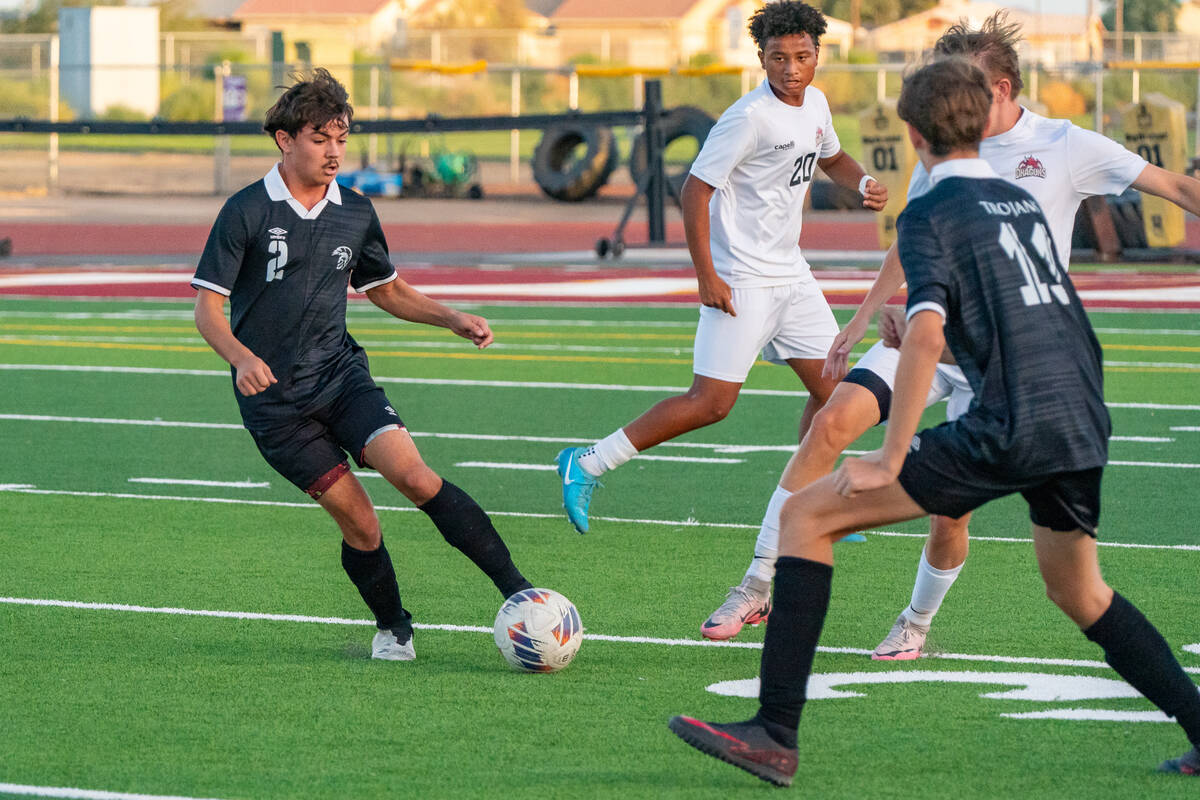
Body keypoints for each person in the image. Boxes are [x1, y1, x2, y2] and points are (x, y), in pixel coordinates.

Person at [668, 58, 1200, 786]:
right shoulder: (1018, 201)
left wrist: (889, 456)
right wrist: (907, 321)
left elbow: (927, 336)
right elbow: (1020, 314)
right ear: (983, 120)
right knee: (1080, 592)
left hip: (1010, 419)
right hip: (1079, 408)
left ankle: (774, 732)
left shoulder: (928, 210)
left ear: (912, 134)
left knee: (807, 518)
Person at [190, 69, 532, 662]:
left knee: (417, 477)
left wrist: (451, 317)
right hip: (276, 408)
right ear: (286, 140)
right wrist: (241, 357)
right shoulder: (244, 210)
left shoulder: (355, 210)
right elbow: (207, 309)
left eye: (341, 139)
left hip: (341, 378)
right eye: (320, 138)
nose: (333, 152)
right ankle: (394, 626)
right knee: (363, 525)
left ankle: (522, 595)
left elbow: (386, 289)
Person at [553, 0, 887, 534]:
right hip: (742, 281)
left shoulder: (817, 104)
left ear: (818, 54)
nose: (791, 68)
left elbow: (830, 158)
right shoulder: (748, 118)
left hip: (792, 277)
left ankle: (794, 505)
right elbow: (694, 191)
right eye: (779, 57)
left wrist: (863, 181)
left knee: (836, 392)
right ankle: (589, 462)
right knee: (711, 403)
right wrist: (707, 276)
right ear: (761, 58)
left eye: (802, 56)